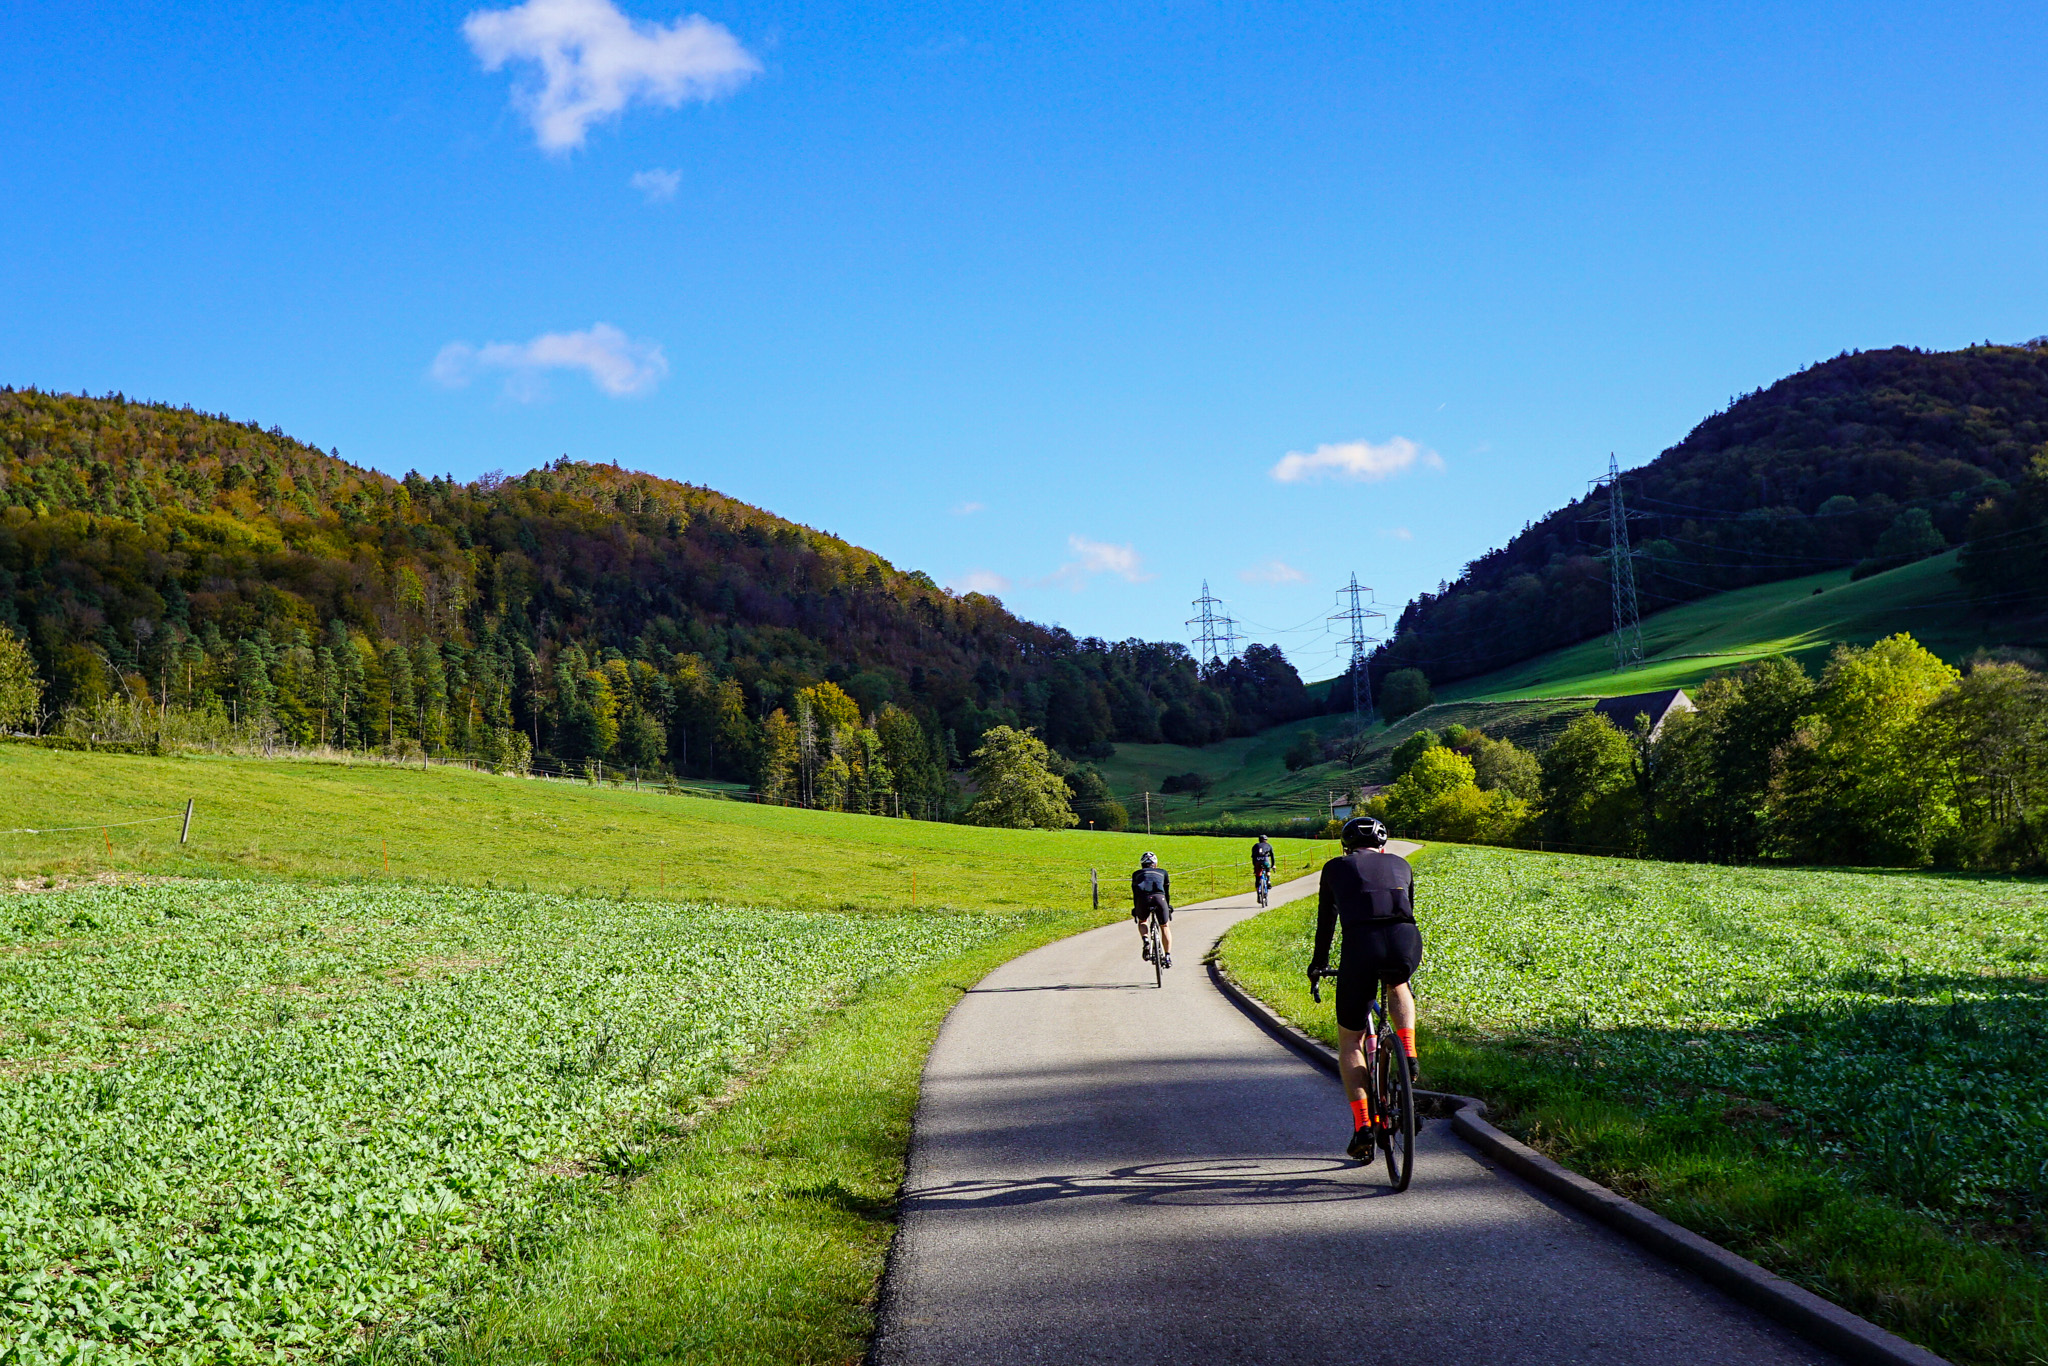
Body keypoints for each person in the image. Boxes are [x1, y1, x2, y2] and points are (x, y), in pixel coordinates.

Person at [1307, 816, 1422, 1161]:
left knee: (1350, 1041)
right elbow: (1407, 908)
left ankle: (1362, 1126)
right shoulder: (1401, 863)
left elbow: (1326, 921)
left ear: (1346, 848)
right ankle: (1408, 1050)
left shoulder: (1335, 867)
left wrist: (1318, 964)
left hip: (1361, 944)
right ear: (1383, 846)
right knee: (1397, 981)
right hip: (1405, 940)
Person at [1130, 851, 1174, 967]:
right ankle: (1168, 956)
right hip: (1160, 898)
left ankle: (1145, 940)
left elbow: (1135, 893)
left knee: (1143, 921)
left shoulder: (1136, 874)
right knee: (1164, 925)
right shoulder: (1163, 872)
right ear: (1155, 863)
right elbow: (1166, 892)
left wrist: (1136, 909)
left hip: (1143, 899)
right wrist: (1168, 906)